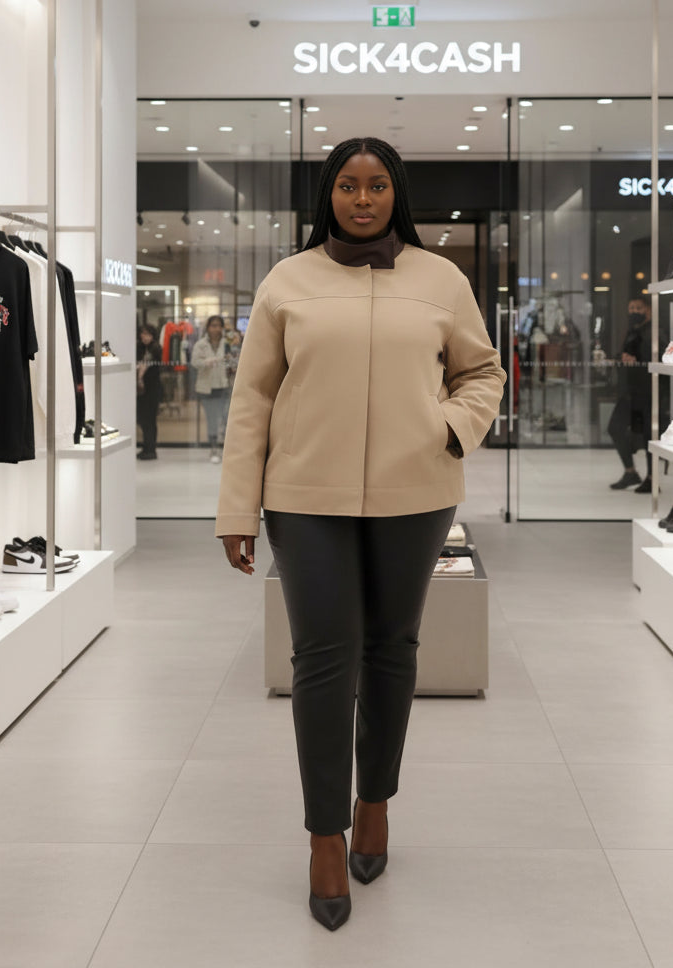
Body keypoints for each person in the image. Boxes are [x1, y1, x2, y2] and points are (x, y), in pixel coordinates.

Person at [216, 137, 506, 930]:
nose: (364, 198)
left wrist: (447, 430)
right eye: (348, 185)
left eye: (377, 185)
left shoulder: (441, 279)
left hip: (416, 494)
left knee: (390, 647)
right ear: (328, 196)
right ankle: (324, 833)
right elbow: (252, 401)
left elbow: (482, 372)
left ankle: (374, 799)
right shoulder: (288, 280)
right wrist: (237, 509)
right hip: (305, 496)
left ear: (396, 193)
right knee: (321, 658)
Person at [607, 296, 653, 491]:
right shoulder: (631, 332)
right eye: (631, 308)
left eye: (638, 308)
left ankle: (652, 478)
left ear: (647, 310)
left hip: (647, 392)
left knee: (649, 435)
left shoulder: (653, 332)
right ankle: (630, 472)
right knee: (615, 427)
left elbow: (652, 358)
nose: (634, 311)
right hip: (629, 391)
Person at [191, 314, 232, 462]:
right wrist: (207, 362)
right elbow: (195, 362)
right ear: (208, 327)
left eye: (219, 326)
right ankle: (214, 450)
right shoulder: (200, 344)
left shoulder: (227, 343)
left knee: (226, 419)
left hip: (223, 386)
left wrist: (230, 360)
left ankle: (225, 449)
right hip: (206, 388)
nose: (216, 329)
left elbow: (235, 361)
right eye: (213, 325)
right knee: (211, 420)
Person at [136, 324, 162, 460]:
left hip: (152, 389)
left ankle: (151, 449)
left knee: (150, 419)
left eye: (147, 334)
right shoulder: (140, 348)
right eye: (142, 333)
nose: (144, 336)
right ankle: (146, 447)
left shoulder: (155, 348)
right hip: (142, 390)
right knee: (142, 419)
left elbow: (145, 364)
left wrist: (139, 375)